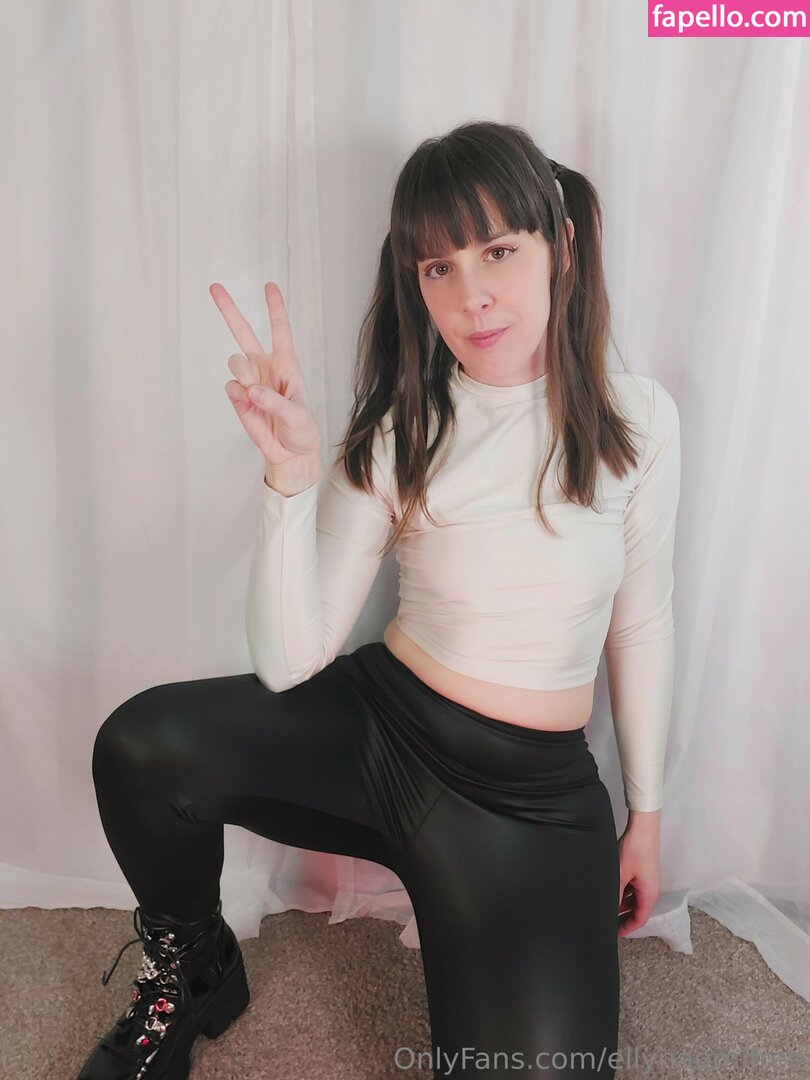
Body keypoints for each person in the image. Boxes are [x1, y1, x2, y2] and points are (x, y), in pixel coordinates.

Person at [78, 120, 681, 1080]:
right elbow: (290, 660)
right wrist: (289, 482)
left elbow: (641, 619)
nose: (471, 296)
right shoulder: (403, 431)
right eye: (438, 267)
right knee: (141, 748)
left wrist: (644, 815)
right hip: (383, 733)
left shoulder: (640, 419)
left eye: (498, 252)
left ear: (561, 246)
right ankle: (192, 967)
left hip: (527, 799)